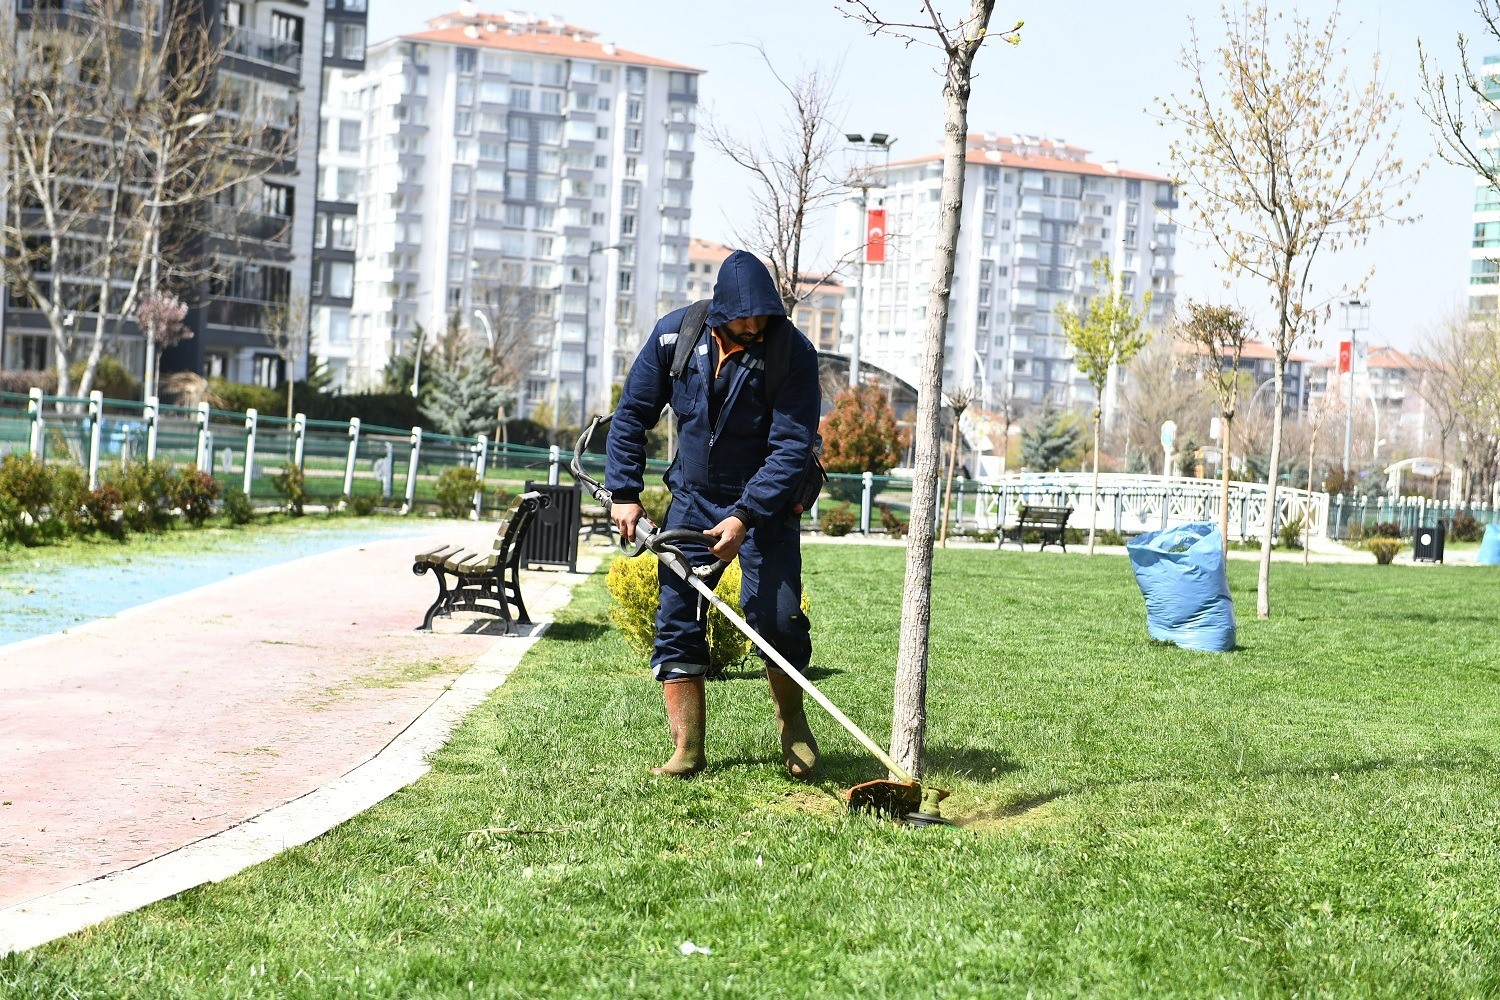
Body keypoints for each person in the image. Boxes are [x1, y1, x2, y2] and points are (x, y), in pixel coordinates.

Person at [606, 250, 821, 780]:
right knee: (678, 617)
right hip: (694, 498)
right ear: (721, 310)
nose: (755, 328)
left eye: (763, 317)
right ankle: (688, 747)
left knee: (777, 617)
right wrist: (624, 492)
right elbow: (632, 414)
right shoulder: (673, 337)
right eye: (744, 319)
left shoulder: (792, 352)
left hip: (766, 503)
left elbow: (791, 448)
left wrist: (745, 516)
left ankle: (792, 723)